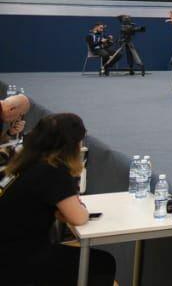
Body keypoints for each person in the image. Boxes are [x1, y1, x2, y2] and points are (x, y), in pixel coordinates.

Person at [0, 113, 117, 286]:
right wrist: (77, 209)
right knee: (102, 263)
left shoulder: (23, 161)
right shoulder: (53, 170)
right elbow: (79, 217)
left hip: (9, 249)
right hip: (17, 261)